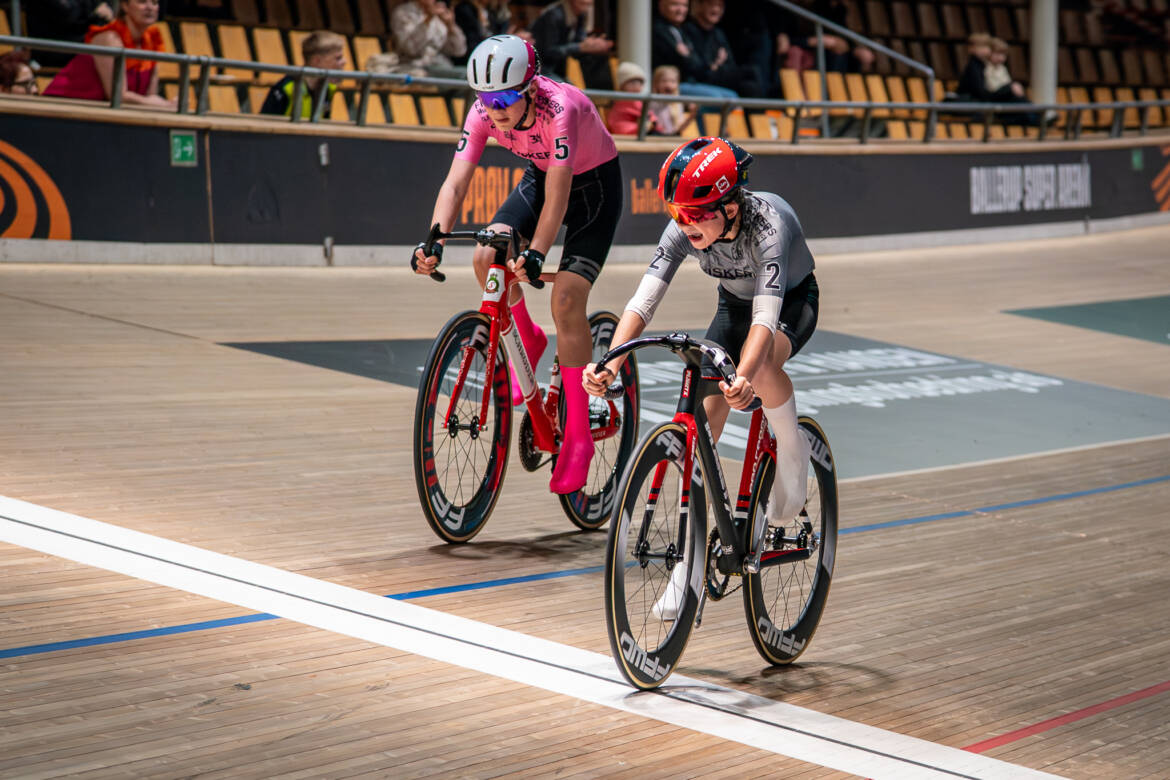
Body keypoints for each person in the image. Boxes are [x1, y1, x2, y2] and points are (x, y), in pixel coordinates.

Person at [583, 137, 818, 615]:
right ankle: (686, 564)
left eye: (695, 214)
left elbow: (765, 321)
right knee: (702, 424)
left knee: (763, 363)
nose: (684, 224)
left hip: (789, 301)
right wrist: (610, 360)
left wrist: (744, 376)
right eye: (676, 212)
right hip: (734, 305)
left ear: (729, 206)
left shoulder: (767, 227)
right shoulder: (682, 229)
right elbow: (643, 301)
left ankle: (793, 463)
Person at [412, 35, 623, 495]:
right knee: (487, 254)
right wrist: (434, 239)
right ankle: (522, 330)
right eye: (486, 100)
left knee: (566, 300)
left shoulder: (559, 109)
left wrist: (537, 253)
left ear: (530, 88)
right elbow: (456, 182)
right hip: (541, 176)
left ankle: (581, 440)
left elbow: (559, 198)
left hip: (593, 190)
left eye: (505, 98)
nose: (495, 109)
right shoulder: (482, 113)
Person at [42, 0, 176, 108]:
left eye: (154, 2)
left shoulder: (152, 42)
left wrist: (167, 105)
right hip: (65, 106)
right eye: (142, 2)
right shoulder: (109, 38)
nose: (150, 7)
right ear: (125, 6)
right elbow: (117, 95)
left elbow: (149, 98)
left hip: (100, 114)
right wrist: (164, 104)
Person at [651, 0, 737, 101]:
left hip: (691, 82)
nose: (680, 10)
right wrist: (687, 57)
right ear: (661, 6)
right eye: (675, 5)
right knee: (716, 99)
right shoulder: (657, 29)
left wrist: (690, 58)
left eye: (684, 6)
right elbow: (687, 63)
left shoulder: (681, 31)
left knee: (732, 97)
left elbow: (697, 65)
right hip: (671, 84)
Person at [682, 0, 765, 98]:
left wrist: (717, 65)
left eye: (720, 6)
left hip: (719, 75)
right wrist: (716, 64)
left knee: (749, 87)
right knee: (751, 71)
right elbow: (696, 67)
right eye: (711, 4)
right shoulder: (688, 30)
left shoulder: (718, 33)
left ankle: (761, 112)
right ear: (699, 6)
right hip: (700, 78)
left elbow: (730, 63)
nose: (716, 10)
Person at [529, 0, 614, 90]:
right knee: (565, 92)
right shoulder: (554, 15)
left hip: (559, 70)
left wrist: (592, 45)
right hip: (541, 69)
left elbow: (579, 43)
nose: (587, 3)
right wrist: (580, 47)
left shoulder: (580, 15)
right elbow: (548, 52)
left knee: (577, 92)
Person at [260, 31, 346, 118]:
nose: (344, 62)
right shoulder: (286, 88)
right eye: (338, 58)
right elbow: (264, 124)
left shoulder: (329, 88)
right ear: (317, 61)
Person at [391, 0, 468, 79]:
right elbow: (411, 49)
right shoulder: (403, 13)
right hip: (416, 68)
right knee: (469, 77)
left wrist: (450, 26)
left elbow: (458, 51)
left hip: (442, 67)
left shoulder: (438, 13)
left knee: (474, 76)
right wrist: (427, 20)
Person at [26, 0, 115, 67]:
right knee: (104, 42)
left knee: (110, 39)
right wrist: (94, 12)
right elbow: (67, 14)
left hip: (79, 42)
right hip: (52, 47)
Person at [604, 61, 657, 136]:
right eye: (632, 83)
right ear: (622, 85)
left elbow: (646, 112)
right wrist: (653, 120)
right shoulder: (623, 100)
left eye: (640, 83)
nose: (637, 86)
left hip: (634, 129)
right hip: (626, 131)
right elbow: (643, 111)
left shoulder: (637, 99)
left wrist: (653, 121)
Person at [647, 64, 698, 135]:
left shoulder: (678, 103)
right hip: (655, 136)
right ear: (656, 83)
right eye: (664, 81)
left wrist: (693, 114)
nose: (668, 85)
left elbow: (678, 130)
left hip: (672, 137)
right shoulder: (652, 102)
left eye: (672, 81)